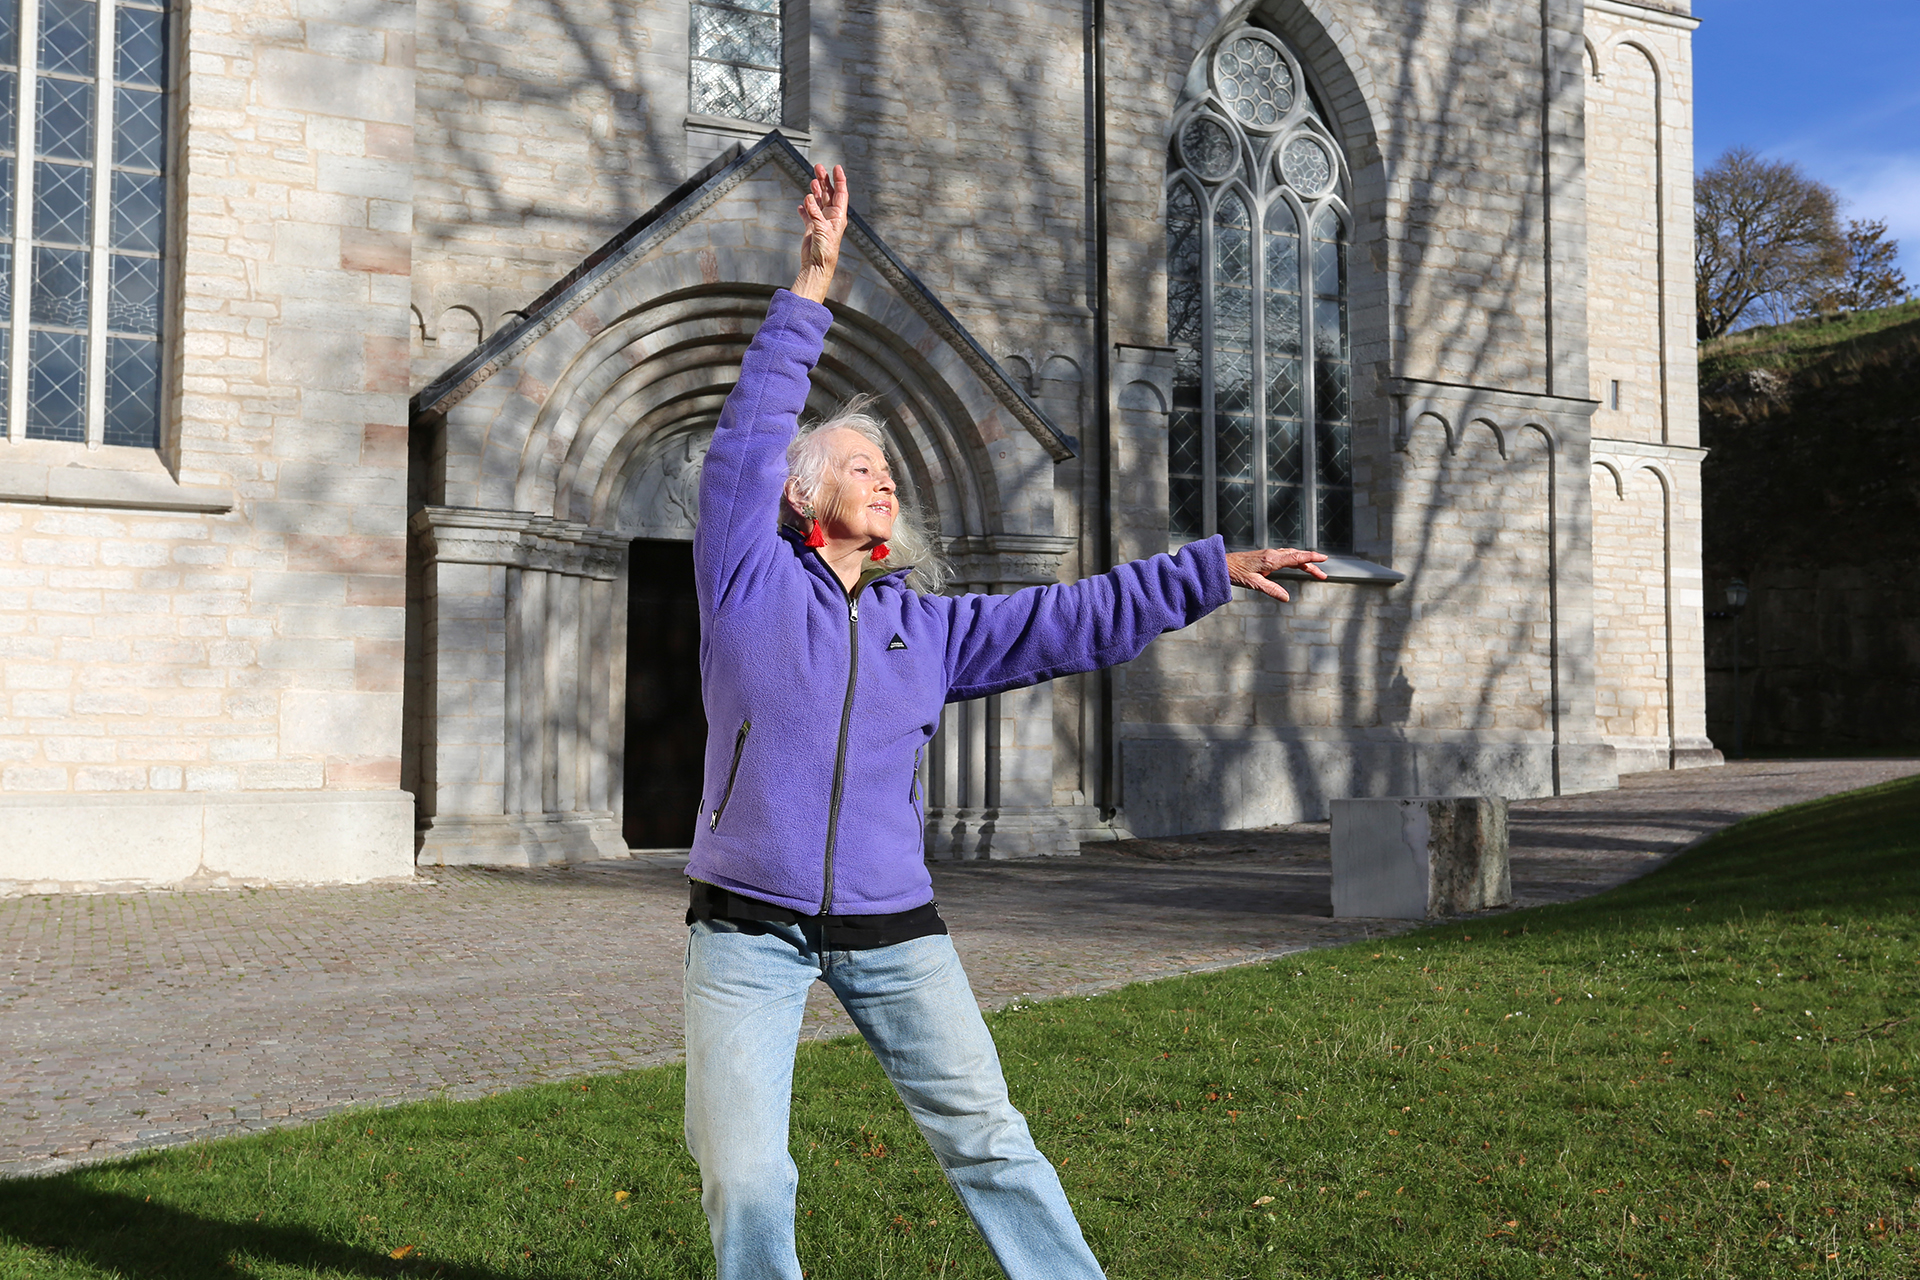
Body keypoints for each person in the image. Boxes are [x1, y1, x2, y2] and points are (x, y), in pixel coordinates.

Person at [682, 163, 1329, 1280]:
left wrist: (1209, 568)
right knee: (746, 1175)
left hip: (894, 927)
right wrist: (812, 282)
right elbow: (750, 429)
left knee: (990, 1141)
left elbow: (1070, 618)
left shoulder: (921, 628)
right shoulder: (744, 576)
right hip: (745, 927)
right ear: (797, 494)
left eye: (889, 470)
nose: (884, 482)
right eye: (859, 465)